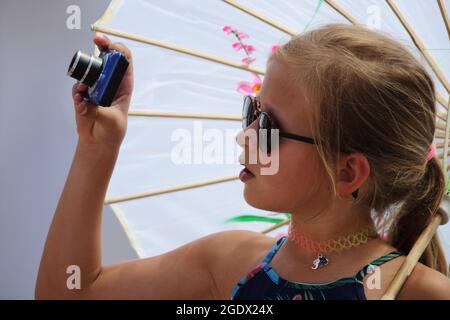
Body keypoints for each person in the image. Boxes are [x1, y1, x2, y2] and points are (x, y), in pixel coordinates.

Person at [36, 24, 450, 300]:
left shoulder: (418, 291)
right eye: (252, 111)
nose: (245, 135)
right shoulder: (231, 261)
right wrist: (97, 149)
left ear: (347, 172)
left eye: (267, 125)